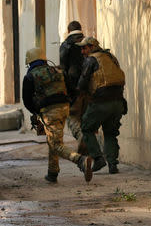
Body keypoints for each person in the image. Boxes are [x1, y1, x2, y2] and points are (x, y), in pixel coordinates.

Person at [22, 47, 93, 183]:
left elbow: (27, 100)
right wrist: (68, 103)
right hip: (64, 108)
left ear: (30, 61)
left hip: (49, 111)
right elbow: (72, 89)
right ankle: (52, 172)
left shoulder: (30, 76)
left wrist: (36, 111)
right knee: (53, 139)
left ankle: (80, 160)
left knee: (56, 144)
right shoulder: (58, 71)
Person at [76, 37, 126, 174]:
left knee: (86, 128)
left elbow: (82, 82)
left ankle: (98, 158)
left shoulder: (91, 59)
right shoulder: (110, 57)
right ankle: (112, 164)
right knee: (110, 132)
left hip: (100, 101)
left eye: (84, 48)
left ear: (92, 47)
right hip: (118, 102)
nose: (82, 51)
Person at [59, 21, 89, 154]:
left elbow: (63, 68)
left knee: (72, 117)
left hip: (73, 88)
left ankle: (81, 137)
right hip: (88, 87)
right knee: (86, 117)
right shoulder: (88, 43)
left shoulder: (66, 45)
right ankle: (89, 149)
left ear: (68, 30)